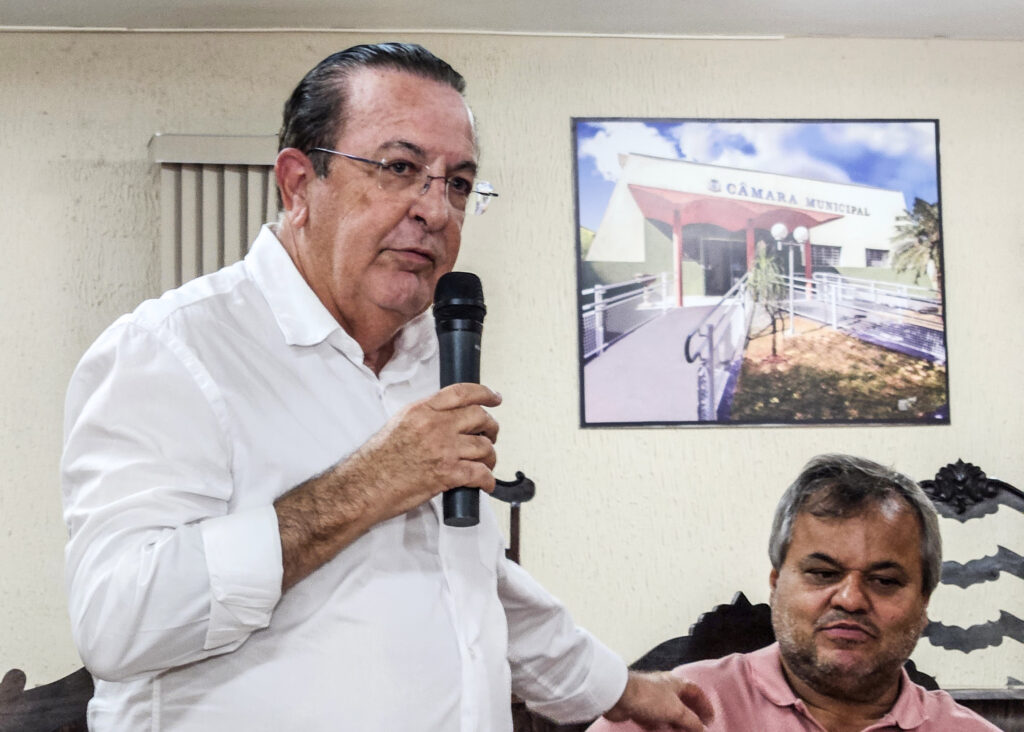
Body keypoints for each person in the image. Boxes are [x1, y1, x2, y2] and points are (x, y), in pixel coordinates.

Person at [61, 43, 712, 731]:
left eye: (458, 183)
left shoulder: (429, 357)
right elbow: (117, 621)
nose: (437, 210)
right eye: (400, 168)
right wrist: (370, 482)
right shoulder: (172, 349)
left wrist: (619, 688)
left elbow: (469, 580)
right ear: (298, 185)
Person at [588, 454, 999, 732]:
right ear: (775, 584)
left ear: (924, 603)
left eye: (885, 581)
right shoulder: (676, 711)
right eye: (822, 573)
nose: (850, 599)